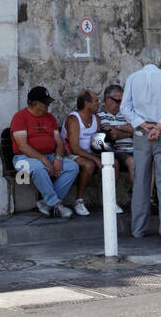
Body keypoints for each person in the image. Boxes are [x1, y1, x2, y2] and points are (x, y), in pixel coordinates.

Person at [118, 46, 161, 240]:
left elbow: (125, 107)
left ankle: (138, 229)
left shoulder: (132, 78)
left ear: (141, 60)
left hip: (141, 133)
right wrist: (160, 126)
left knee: (141, 181)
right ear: (160, 60)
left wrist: (143, 125)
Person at [10, 86, 80, 218]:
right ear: (35, 103)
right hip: (23, 158)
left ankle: (46, 202)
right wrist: (44, 160)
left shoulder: (50, 118)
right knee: (39, 168)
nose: (49, 105)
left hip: (50, 155)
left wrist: (58, 158)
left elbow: (59, 142)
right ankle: (55, 203)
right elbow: (23, 146)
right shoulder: (20, 117)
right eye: (46, 102)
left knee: (73, 167)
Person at [62, 90, 102, 216]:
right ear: (87, 103)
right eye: (96, 101)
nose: (98, 103)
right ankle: (79, 200)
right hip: (70, 153)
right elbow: (74, 148)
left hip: (89, 153)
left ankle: (110, 199)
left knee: (114, 163)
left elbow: (98, 141)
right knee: (89, 165)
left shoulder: (96, 118)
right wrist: (96, 159)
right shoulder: (74, 119)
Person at [96, 84, 134, 213]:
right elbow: (111, 135)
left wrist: (118, 128)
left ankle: (146, 199)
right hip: (116, 150)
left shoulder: (125, 113)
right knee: (131, 162)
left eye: (122, 101)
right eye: (117, 101)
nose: (120, 104)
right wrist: (126, 129)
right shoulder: (99, 115)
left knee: (154, 159)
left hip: (133, 148)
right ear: (107, 99)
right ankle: (112, 201)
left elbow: (134, 129)